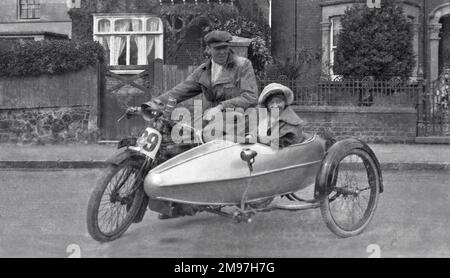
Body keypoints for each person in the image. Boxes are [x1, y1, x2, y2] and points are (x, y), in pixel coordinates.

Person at [144, 30, 259, 143]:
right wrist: (152, 105)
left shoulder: (242, 65)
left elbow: (250, 96)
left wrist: (220, 107)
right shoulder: (203, 71)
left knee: (207, 135)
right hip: (212, 118)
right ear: (208, 49)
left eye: (225, 48)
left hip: (240, 118)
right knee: (183, 135)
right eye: (217, 48)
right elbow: (180, 90)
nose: (222, 52)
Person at [256, 83, 305, 148]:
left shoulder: (294, 122)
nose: (275, 106)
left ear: (285, 103)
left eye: (278, 102)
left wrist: (258, 138)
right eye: (271, 102)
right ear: (267, 105)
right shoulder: (266, 119)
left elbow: (281, 144)